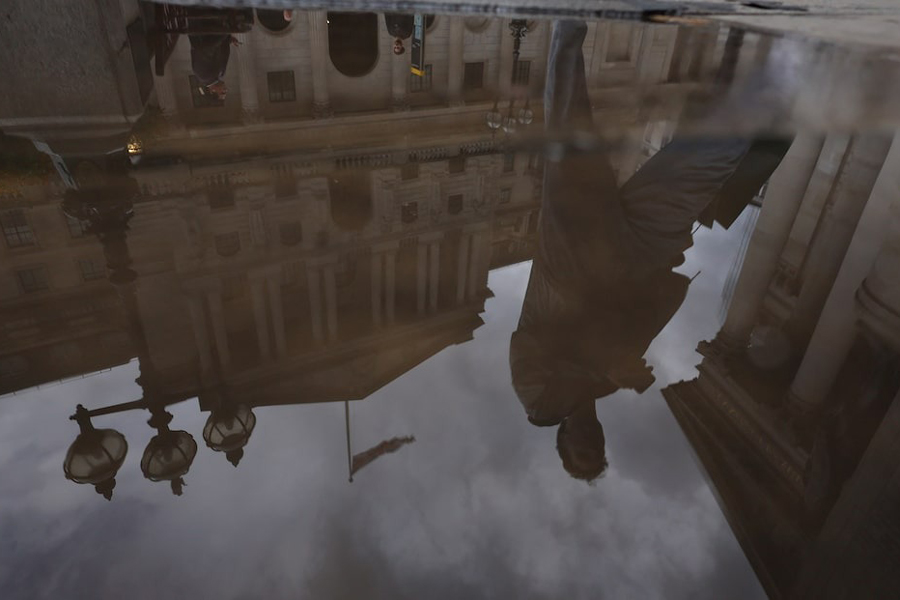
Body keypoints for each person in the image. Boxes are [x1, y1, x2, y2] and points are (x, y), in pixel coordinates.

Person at [510, 21, 790, 481]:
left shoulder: (536, 401)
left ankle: (569, 15)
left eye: (579, 452)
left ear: (562, 440)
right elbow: (637, 314)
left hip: (572, 257)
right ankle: (786, 53)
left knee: (567, 124)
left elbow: (537, 345)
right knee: (720, 155)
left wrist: (607, 368)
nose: (589, 444)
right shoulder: (612, 382)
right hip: (638, 254)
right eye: (597, 452)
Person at [189, 33, 241, 100]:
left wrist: (223, 35)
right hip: (218, 33)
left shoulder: (203, 76)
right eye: (225, 92)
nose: (226, 90)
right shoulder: (221, 75)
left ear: (212, 91)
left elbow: (203, 49)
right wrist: (228, 40)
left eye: (222, 92)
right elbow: (220, 53)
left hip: (203, 32)